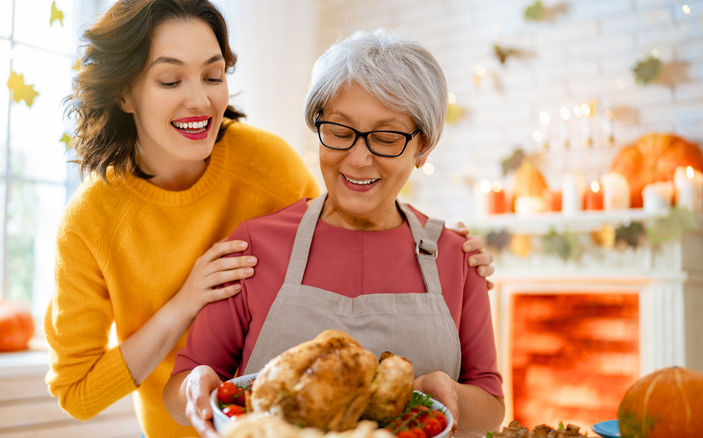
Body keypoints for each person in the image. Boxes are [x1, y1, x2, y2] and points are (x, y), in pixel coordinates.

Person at [44, 1, 496, 437]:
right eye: (169, 80)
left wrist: (446, 250)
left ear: (423, 147)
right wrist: (184, 305)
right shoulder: (95, 221)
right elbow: (82, 392)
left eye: (213, 75)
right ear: (124, 92)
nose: (198, 99)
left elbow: (345, 216)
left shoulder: (265, 164)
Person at [163, 29, 505, 438]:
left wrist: (445, 392)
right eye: (340, 132)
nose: (359, 159)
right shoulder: (256, 245)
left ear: (423, 146)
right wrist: (195, 383)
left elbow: (490, 407)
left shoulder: (456, 255)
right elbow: (183, 387)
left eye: (387, 138)